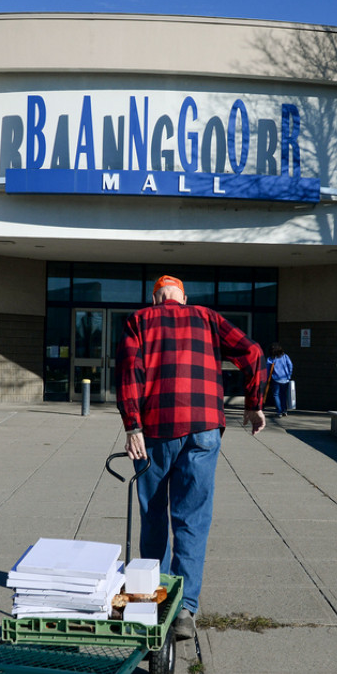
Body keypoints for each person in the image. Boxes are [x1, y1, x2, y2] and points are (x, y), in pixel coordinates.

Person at [117, 274, 267, 640]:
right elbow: (253, 353)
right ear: (183, 298)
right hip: (203, 428)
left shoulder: (140, 321)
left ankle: (151, 600)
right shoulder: (208, 317)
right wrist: (254, 404)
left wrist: (132, 426)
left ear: (156, 298)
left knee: (153, 516)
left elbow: (128, 373)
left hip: (155, 430)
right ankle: (185, 609)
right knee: (192, 519)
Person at [266, 342, 293, 417]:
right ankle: (284, 410)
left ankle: (279, 411)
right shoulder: (285, 356)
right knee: (283, 395)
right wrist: (289, 375)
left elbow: (268, 370)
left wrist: (267, 378)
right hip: (285, 379)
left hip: (275, 379)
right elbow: (290, 365)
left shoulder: (271, 358)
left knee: (276, 394)